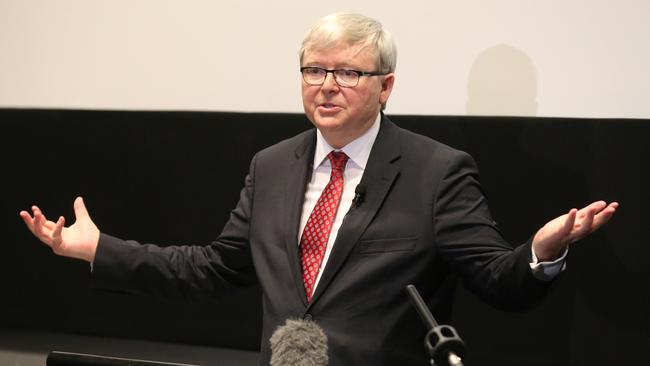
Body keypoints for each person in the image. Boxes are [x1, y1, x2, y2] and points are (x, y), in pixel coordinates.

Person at [19, 12, 618, 365]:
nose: (327, 85)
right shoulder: (273, 165)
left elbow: (496, 278)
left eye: (348, 73)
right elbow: (214, 268)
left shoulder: (437, 171)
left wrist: (541, 254)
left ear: (386, 87)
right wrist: (99, 250)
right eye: (314, 70)